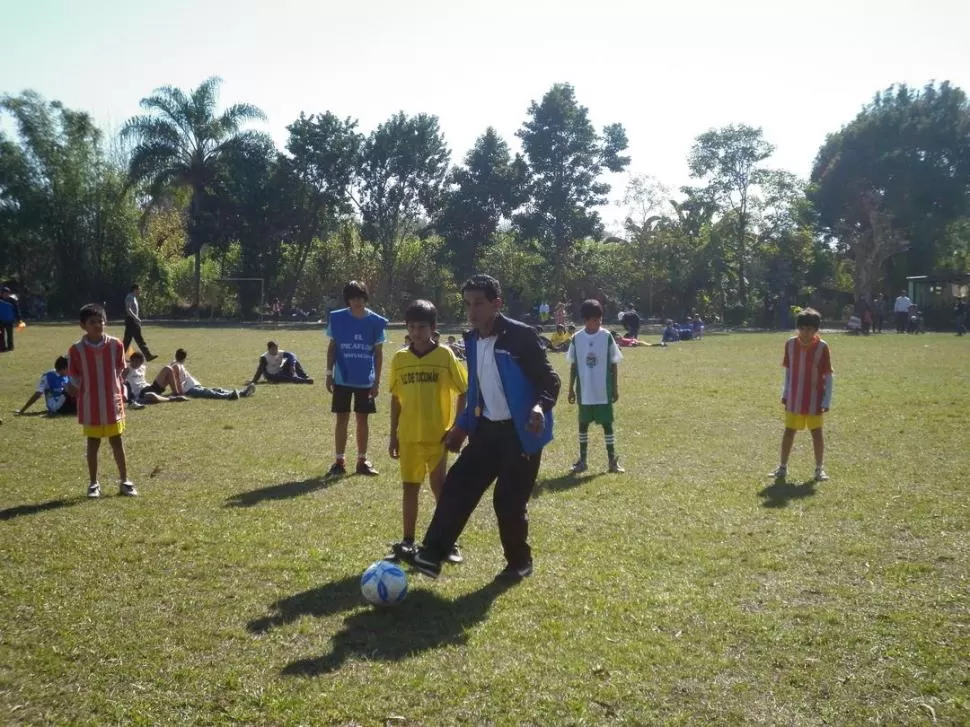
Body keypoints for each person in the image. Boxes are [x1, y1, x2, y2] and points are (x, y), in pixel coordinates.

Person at [405, 274, 560, 581]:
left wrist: (540, 408)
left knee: (508, 501)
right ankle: (432, 555)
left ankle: (519, 563)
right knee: (457, 485)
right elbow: (476, 388)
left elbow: (550, 381)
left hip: (522, 433)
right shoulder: (472, 339)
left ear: (496, 304)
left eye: (478, 304)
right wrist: (461, 427)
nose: (472, 311)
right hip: (487, 431)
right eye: (467, 304)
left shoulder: (521, 337)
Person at [385, 300, 468, 563]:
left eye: (422, 327)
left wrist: (457, 426)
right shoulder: (400, 359)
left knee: (439, 486)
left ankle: (448, 541)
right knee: (410, 487)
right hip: (409, 436)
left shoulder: (444, 355)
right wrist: (393, 434)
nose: (417, 332)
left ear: (433, 328)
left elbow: (464, 390)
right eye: (412, 327)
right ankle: (407, 541)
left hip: (438, 436)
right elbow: (396, 399)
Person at [68, 304, 137, 497]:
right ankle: (93, 484)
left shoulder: (116, 345)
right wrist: (72, 387)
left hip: (111, 404)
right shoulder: (76, 350)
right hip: (91, 405)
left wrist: (120, 390)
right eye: (93, 322)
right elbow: (74, 376)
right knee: (93, 442)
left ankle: (124, 481)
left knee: (117, 441)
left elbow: (121, 370)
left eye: (101, 321)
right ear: (83, 325)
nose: (98, 325)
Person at [325, 280, 388, 477]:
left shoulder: (376, 322)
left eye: (361, 297)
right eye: (353, 298)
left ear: (365, 298)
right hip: (342, 379)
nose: (357, 302)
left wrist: (377, 381)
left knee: (363, 419)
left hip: (365, 380)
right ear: (348, 300)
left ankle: (362, 460)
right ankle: (339, 461)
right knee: (341, 419)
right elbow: (332, 347)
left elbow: (378, 353)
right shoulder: (337, 319)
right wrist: (328, 374)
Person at [769, 307, 833, 483]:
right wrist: (785, 392)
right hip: (794, 397)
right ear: (798, 328)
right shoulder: (790, 344)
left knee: (817, 433)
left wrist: (827, 399)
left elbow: (828, 375)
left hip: (814, 399)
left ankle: (819, 469)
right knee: (789, 431)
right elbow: (788, 372)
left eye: (810, 329)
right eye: (803, 328)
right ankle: (782, 467)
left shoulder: (822, 347)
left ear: (816, 330)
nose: (806, 333)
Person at [567, 299, 624, 474]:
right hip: (584, 392)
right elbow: (574, 365)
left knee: (607, 424)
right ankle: (582, 461)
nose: (598, 322)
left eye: (600, 319)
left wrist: (614, 388)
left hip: (603, 391)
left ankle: (612, 461)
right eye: (595, 319)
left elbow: (614, 363)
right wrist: (570, 389)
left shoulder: (607, 337)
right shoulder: (577, 338)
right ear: (585, 319)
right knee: (583, 424)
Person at [171, 349, 256, 400]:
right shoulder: (176, 366)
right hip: (188, 389)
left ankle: (242, 393)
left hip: (193, 386)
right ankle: (230, 395)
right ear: (185, 358)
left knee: (217, 390)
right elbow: (177, 381)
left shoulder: (177, 364)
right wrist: (179, 394)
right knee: (209, 393)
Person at [124, 352, 189, 404]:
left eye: (138, 362)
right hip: (141, 393)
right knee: (150, 395)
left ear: (141, 362)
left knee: (168, 368)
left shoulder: (142, 368)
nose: (136, 363)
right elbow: (120, 380)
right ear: (131, 360)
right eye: (134, 361)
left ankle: (176, 393)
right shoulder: (127, 369)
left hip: (149, 387)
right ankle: (171, 399)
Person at [123, 284, 157, 361]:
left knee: (128, 340)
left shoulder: (134, 297)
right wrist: (136, 317)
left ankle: (119, 358)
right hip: (131, 321)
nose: (140, 291)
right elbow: (128, 309)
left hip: (133, 321)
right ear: (135, 289)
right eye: (139, 289)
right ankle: (148, 356)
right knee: (137, 340)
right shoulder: (129, 297)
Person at [0, 286, 22, 352]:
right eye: (4, 293)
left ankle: (10, 347)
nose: (6, 294)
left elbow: (17, 310)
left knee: (10, 335)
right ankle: (2, 347)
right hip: (1, 320)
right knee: (1, 335)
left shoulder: (12, 301)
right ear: (1, 293)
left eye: (7, 293)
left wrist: (19, 319)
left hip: (9, 320)